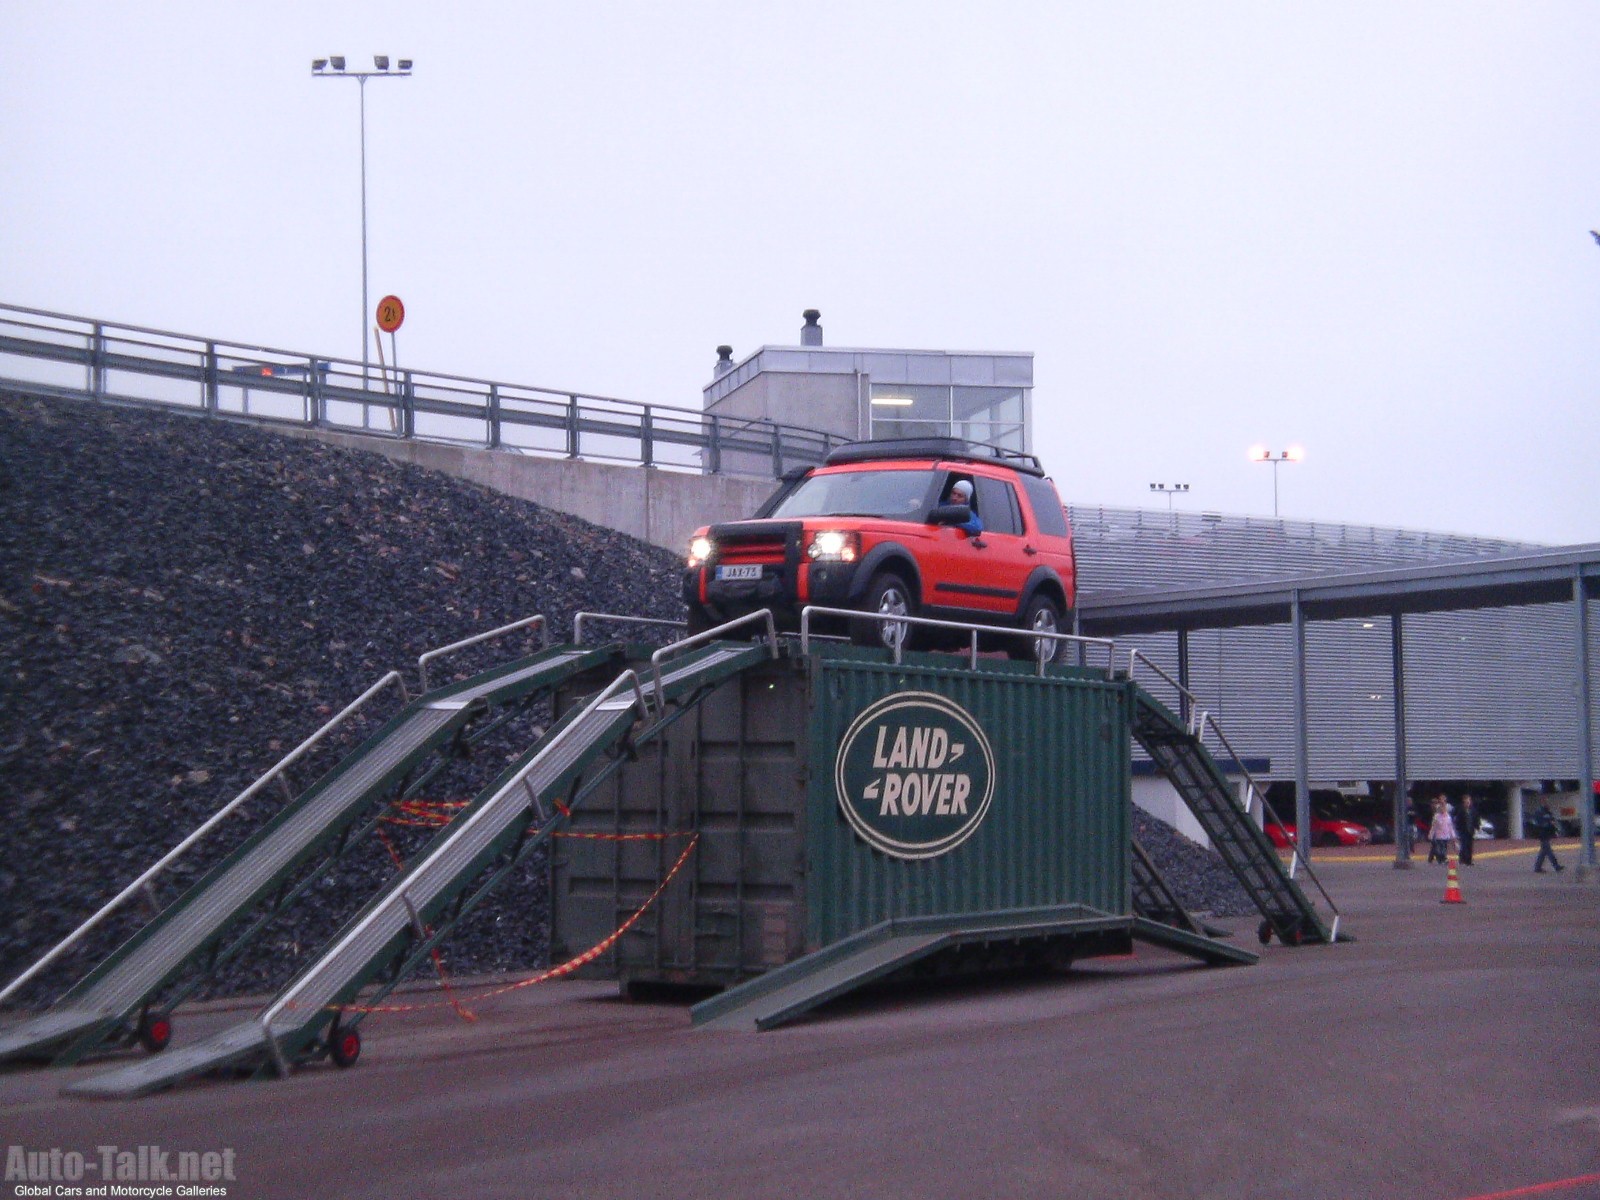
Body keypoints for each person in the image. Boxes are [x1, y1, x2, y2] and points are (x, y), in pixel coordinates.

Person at [1530, 801, 1564, 873]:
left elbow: (1552, 822)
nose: (1548, 805)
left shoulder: (1548, 813)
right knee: (1548, 851)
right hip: (1542, 834)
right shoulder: (1539, 813)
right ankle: (1556, 866)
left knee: (1543, 851)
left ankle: (1537, 867)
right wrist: (1548, 824)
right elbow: (1539, 824)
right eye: (1546, 803)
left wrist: (1555, 830)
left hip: (1547, 834)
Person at [1427, 795, 1456, 865]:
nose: (1443, 810)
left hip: (1446, 836)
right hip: (1439, 836)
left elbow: (1450, 827)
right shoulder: (1436, 817)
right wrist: (1430, 835)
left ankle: (1442, 859)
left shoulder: (1448, 817)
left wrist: (1453, 836)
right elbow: (1433, 827)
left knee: (1443, 848)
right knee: (1439, 848)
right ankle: (1442, 859)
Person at [1458, 794, 1477, 865]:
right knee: (1464, 845)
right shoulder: (1461, 810)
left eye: (1468, 801)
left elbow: (1475, 819)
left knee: (1469, 846)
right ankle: (1463, 859)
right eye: (1466, 801)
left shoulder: (1473, 810)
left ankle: (1469, 860)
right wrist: (1459, 829)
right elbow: (1458, 821)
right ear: (1464, 802)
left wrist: (1476, 827)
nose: (1467, 802)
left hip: (1470, 831)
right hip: (1463, 831)